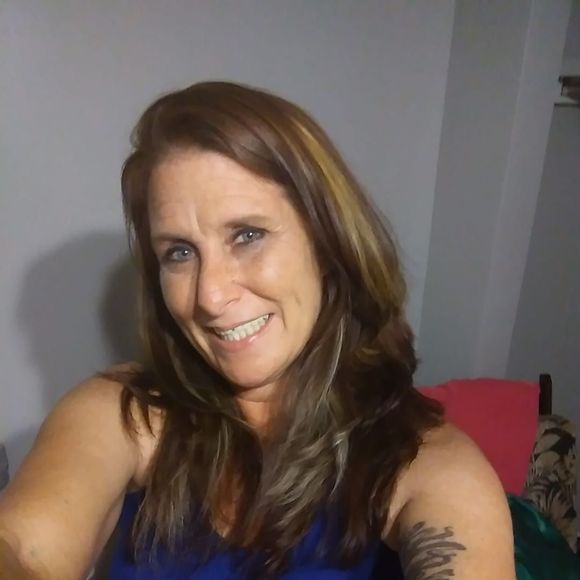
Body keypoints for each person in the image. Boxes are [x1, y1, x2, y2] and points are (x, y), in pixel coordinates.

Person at [0, 81, 515, 579]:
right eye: (179, 252)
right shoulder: (125, 414)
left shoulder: (425, 462)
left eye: (247, 235)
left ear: (328, 242)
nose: (210, 295)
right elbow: (24, 548)